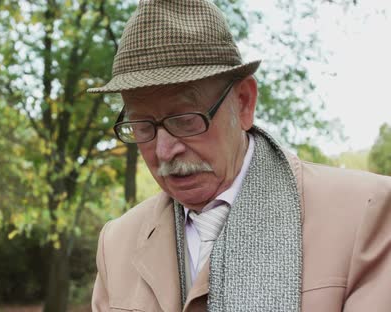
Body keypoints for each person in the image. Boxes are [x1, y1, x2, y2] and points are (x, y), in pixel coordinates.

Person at [86, 0, 391, 311]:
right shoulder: (117, 244)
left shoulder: (364, 214)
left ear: (244, 103)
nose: (164, 151)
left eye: (185, 120)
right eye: (142, 126)